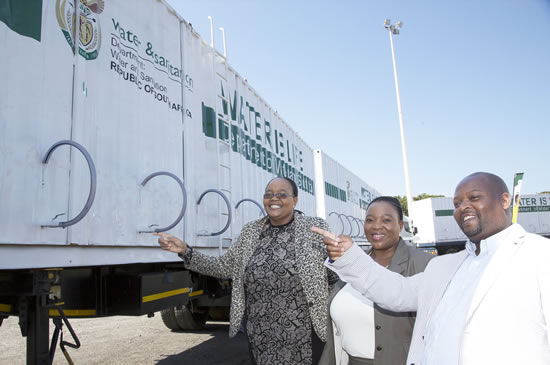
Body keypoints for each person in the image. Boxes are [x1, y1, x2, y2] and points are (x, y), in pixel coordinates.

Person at [314, 172, 550, 365]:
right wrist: (350, 255)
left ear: (505, 200)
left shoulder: (539, 255)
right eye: (457, 203)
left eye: (474, 198)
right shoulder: (445, 266)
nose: (463, 207)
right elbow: (396, 292)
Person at [156, 177, 335, 365]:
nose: (274, 199)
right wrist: (186, 251)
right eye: (269, 194)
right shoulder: (251, 231)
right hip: (260, 333)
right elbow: (224, 267)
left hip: (304, 332)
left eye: (282, 194)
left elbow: (333, 275)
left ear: (295, 200)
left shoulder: (314, 229)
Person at [319, 197, 433, 365]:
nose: (377, 226)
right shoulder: (351, 263)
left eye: (386, 220)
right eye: (370, 220)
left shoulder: (425, 265)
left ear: (400, 225)